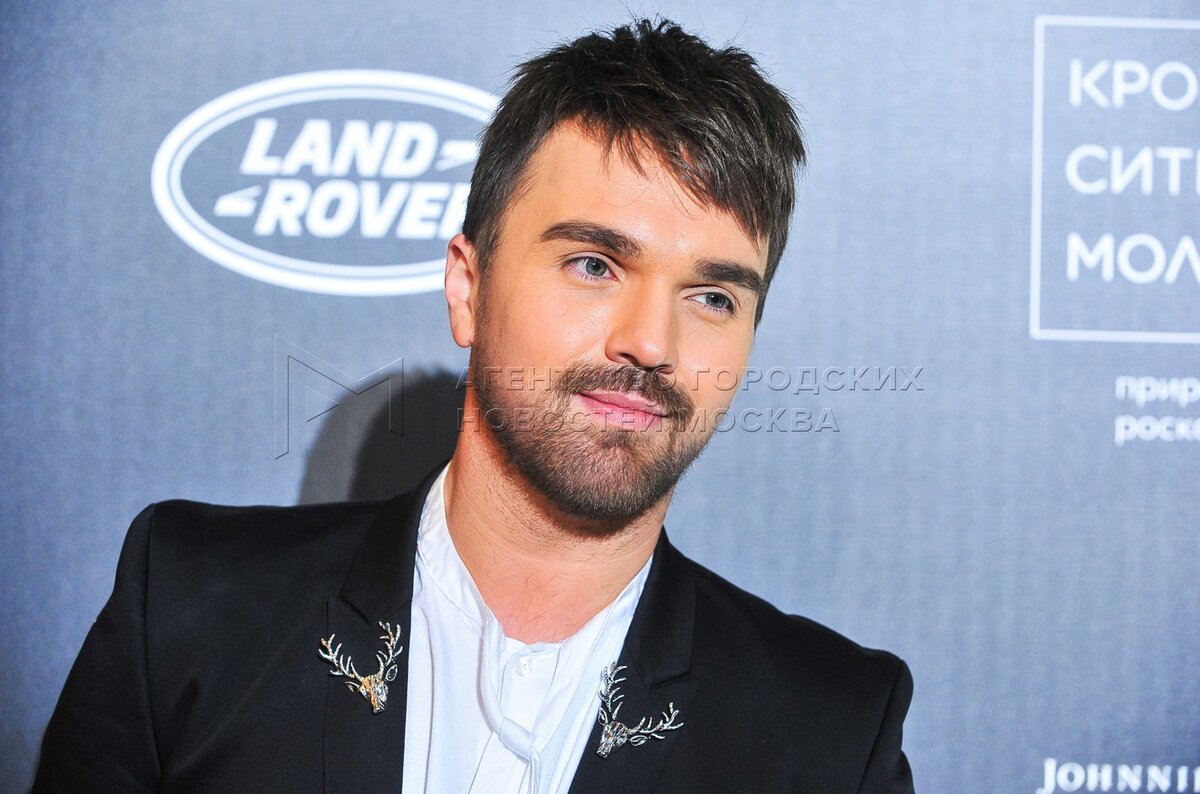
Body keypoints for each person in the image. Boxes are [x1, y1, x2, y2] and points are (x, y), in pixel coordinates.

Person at [34, 18, 915, 793]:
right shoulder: (190, 612)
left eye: (713, 297)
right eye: (594, 265)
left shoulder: (830, 732)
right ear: (468, 287)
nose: (652, 343)